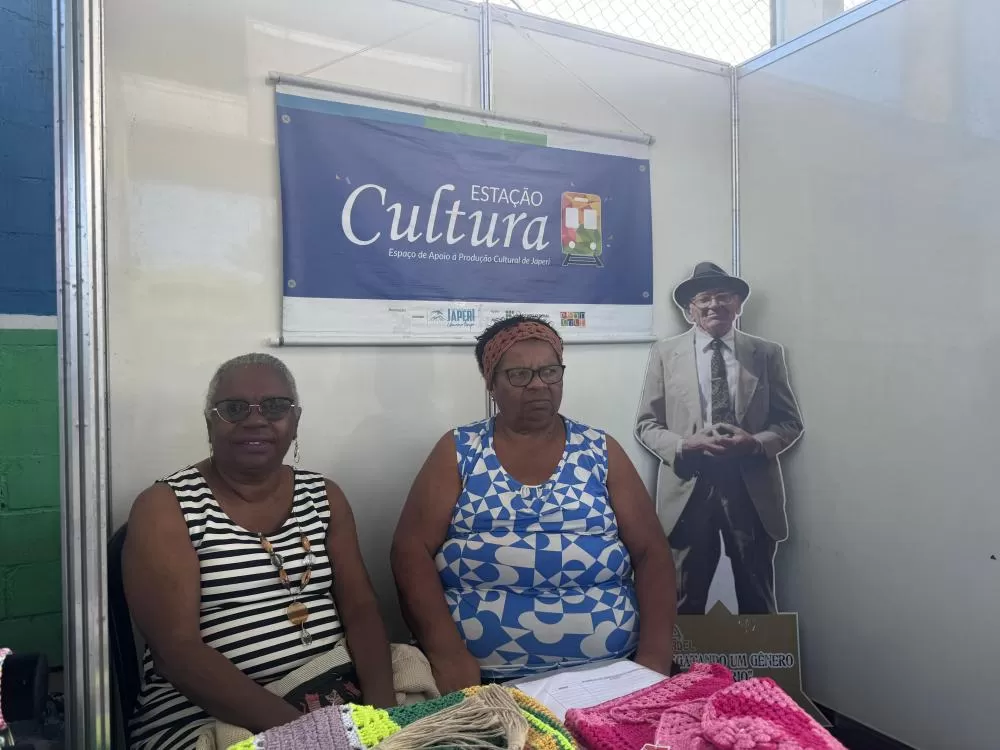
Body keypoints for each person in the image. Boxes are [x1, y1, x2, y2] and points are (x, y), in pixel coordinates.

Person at [124, 353, 394, 750]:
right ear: (209, 422)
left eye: (275, 406)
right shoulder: (166, 506)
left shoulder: (324, 496)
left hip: (333, 691)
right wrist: (314, 736)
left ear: (295, 420)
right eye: (234, 409)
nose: (256, 420)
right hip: (204, 717)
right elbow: (175, 652)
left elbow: (361, 607)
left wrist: (384, 718)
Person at [391, 315, 676, 692]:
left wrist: (653, 661)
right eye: (519, 375)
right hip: (486, 683)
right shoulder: (459, 451)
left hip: (610, 675)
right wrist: (447, 655)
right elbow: (409, 551)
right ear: (491, 383)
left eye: (549, 371)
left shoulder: (599, 450)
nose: (539, 384)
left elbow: (652, 553)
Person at [635, 262, 803, 615]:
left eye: (724, 296)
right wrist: (684, 445)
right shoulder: (665, 354)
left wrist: (755, 443)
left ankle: (760, 655)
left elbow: (789, 422)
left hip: (751, 491)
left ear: (738, 304)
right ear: (690, 309)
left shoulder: (766, 353)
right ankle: (685, 656)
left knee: (758, 602)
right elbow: (647, 424)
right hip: (688, 491)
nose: (715, 305)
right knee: (683, 604)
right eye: (705, 298)